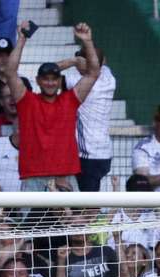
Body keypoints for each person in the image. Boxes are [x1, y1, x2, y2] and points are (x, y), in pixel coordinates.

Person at [6, 21, 100, 191]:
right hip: (33, 177)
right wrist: (21, 39)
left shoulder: (69, 100)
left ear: (59, 81)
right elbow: (10, 72)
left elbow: (93, 72)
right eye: (46, 79)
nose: (50, 83)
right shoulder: (26, 101)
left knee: (72, 219)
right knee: (32, 220)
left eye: (54, 79)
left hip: (65, 176)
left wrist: (87, 41)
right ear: (38, 81)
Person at [58, 45, 116, 191]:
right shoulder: (109, 77)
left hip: (88, 154)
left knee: (88, 208)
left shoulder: (75, 81)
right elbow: (102, 61)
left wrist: (73, 61)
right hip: (104, 152)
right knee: (87, 204)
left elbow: (46, 73)